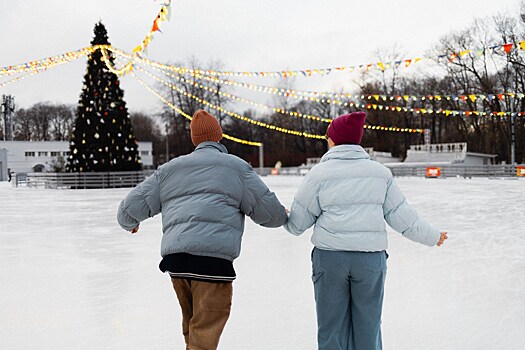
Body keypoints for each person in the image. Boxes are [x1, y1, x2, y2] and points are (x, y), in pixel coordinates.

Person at [117, 110, 287, 350]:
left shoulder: (170, 169)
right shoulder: (237, 168)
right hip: (212, 263)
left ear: (194, 139)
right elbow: (270, 214)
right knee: (204, 334)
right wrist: (286, 216)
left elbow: (128, 209)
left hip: (176, 263)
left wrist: (130, 223)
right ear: (218, 136)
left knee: (193, 327)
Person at [284, 111, 448, 350]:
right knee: (368, 327)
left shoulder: (318, 174)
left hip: (330, 260)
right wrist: (433, 236)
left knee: (331, 329)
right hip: (370, 262)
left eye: (328, 136)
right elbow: (403, 217)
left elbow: (298, 224)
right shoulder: (380, 173)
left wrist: (285, 217)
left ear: (334, 140)